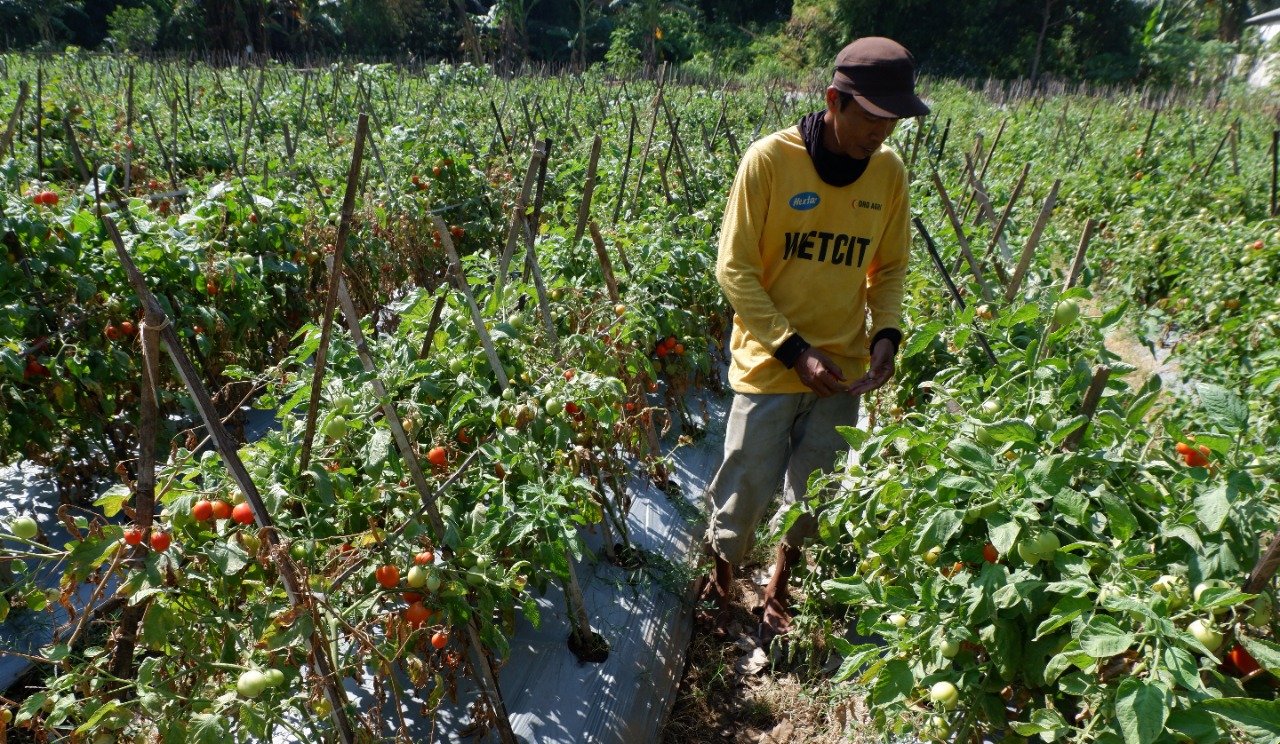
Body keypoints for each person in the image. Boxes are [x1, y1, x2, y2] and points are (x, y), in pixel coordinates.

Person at [698, 37, 928, 639]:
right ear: (834, 100)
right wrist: (794, 351)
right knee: (746, 482)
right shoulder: (771, 161)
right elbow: (735, 269)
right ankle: (722, 580)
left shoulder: (889, 173)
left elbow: (891, 267)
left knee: (816, 489)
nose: (880, 135)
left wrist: (886, 334)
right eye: (871, 120)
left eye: (893, 123)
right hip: (771, 363)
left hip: (844, 368)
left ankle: (778, 583)